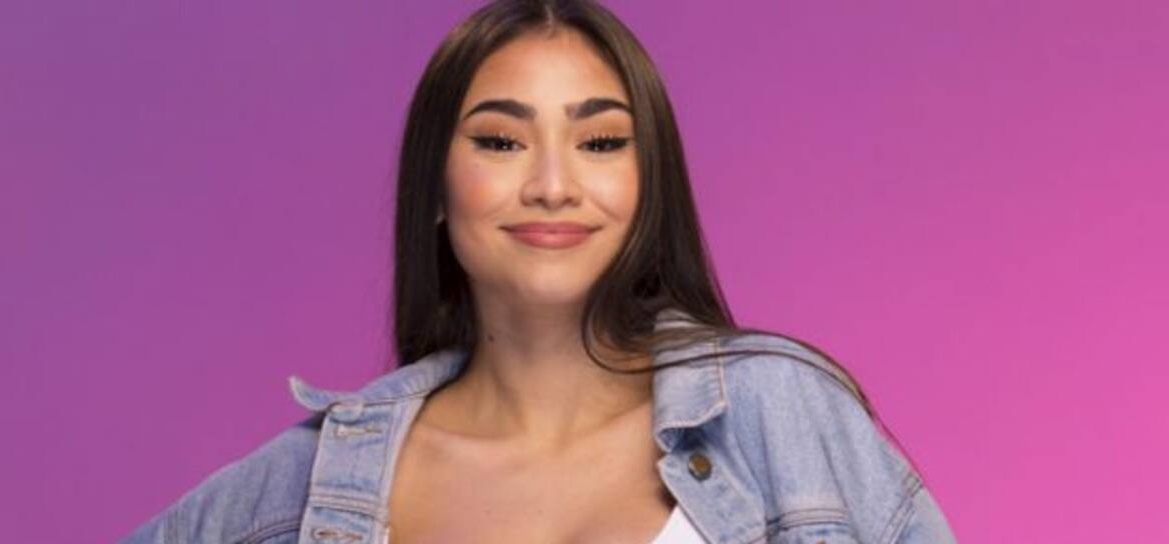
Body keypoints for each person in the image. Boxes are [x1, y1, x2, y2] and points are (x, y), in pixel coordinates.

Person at [123, 0, 957, 542]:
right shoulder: (306, 488)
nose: (553, 185)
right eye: (500, 141)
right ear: (436, 188)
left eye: (600, 142)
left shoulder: (782, 412)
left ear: (648, 180)